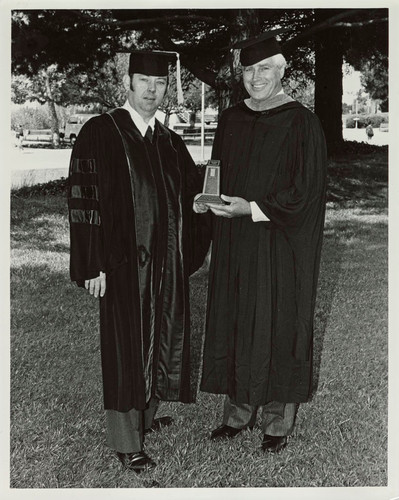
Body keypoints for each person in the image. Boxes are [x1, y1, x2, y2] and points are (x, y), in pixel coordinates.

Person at [68, 51, 210, 472]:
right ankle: (126, 439)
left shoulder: (168, 141)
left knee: (159, 336)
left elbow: (191, 193)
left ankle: (146, 415)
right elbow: (83, 198)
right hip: (121, 267)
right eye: (144, 81)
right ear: (128, 83)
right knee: (125, 347)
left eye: (160, 83)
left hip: (163, 264)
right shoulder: (101, 131)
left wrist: (208, 203)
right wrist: (92, 264)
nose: (152, 89)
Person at [195, 30, 327, 453]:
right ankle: (237, 413)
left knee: (278, 320)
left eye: (265, 68)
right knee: (237, 318)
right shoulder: (232, 118)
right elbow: (217, 171)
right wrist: (208, 199)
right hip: (236, 243)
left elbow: (305, 192)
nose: (256, 77)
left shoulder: (301, 121)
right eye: (249, 69)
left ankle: (276, 421)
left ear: (282, 70)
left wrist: (250, 208)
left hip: (278, 243)